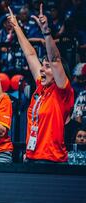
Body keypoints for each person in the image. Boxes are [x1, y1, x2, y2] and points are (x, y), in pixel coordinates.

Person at [8, 5, 74, 163]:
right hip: (31, 156)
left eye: (47, 67)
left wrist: (46, 33)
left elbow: (55, 60)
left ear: (59, 73)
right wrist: (16, 26)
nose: (42, 70)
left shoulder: (63, 92)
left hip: (51, 159)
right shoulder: (40, 87)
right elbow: (30, 54)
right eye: (42, 66)